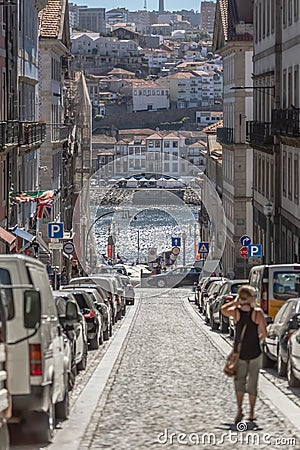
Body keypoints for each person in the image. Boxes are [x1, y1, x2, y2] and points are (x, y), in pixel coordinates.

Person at [221, 285, 267, 424]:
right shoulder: (257, 313)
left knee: (239, 382)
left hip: (239, 354)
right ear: (252, 297)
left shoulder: (235, 312)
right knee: (253, 383)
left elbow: (223, 310)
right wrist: (256, 340)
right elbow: (264, 333)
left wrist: (236, 302)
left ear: (240, 297)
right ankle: (252, 413)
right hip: (255, 353)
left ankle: (240, 409)